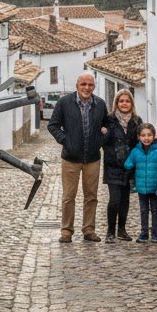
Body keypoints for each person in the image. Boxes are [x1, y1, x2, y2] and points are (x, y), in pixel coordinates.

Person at [47, 73, 108, 243]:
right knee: (68, 196)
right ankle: (66, 231)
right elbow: (52, 125)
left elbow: (107, 124)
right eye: (83, 84)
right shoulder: (64, 103)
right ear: (77, 85)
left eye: (90, 85)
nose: (87, 88)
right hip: (70, 158)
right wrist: (66, 140)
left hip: (93, 158)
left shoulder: (100, 104)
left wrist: (100, 140)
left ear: (94, 87)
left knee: (91, 196)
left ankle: (89, 230)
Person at [101, 89, 142, 242]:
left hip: (130, 166)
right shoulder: (109, 120)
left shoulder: (137, 121)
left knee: (125, 199)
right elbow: (103, 143)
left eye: (127, 101)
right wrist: (105, 133)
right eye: (121, 101)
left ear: (131, 103)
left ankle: (122, 230)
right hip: (113, 165)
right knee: (115, 199)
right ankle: (110, 232)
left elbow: (140, 143)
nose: (124, 104)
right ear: (116, 103)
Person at [124, 123, 157, 243]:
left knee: (155, 210)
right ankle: (144, 233)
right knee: (143, 211)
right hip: (142, 188)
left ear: (154, 136)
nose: (146, 138)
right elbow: (128, 163)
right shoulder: (136, 151)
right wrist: (129, 163)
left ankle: (155, 233)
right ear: (139, 137)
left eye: (149, 135)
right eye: (143, 135)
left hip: (155, 189)